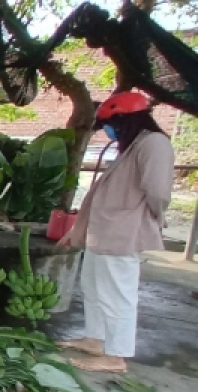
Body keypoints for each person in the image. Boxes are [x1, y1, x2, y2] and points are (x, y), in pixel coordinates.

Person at [56, 91, 174, 373]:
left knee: (117, 295)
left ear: (125, 120)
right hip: (103, 232)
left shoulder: (154, 143)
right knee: (94, 288)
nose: (109, 132)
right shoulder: (133, 146)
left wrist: (154, 217)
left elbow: (158, 192)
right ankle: (95, 339)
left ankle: (116, 355)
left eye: (112, 124)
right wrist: (78, 230)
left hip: (121, 232)